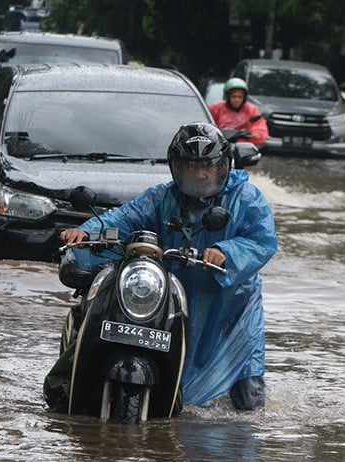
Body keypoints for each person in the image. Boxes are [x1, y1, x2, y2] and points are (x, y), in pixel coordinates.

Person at [48, 122, 278, 411]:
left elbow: (263, 241)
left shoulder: (246, 198)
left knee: (246, 401)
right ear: (177, 168)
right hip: (173, 297)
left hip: (230, 310)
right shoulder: (161, 199)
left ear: (223, 166)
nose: (201, 174)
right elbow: (123, 219)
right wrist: (87, 231)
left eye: (208, 166)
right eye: (192, 167)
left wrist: (226, 252)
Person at [208, 77, 269, 145]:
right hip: (219, 144)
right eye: (234, 96)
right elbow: (207, 125)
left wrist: (249, 134)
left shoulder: (252, 110)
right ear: (228, 97)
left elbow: (260, 132)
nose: (237, 100)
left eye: (240, 97)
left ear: (244, 98)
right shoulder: (215, 108)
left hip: (242, 147)